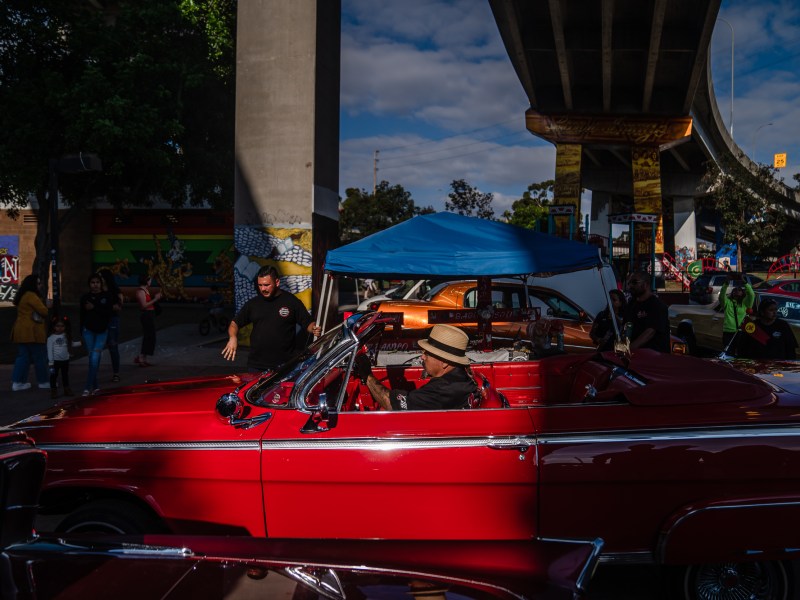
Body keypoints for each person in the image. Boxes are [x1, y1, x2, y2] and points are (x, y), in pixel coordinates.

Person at [354, 324, 477, 411]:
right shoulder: (461, 377)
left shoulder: (443, 390)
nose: (422, 357)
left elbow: (391, 403)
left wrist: (367, 375)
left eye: (427, 354)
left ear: (444, 362)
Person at [222, 266, 321, 371]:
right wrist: (233, 337)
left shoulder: (291, 301)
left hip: (284, 365)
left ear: (277, 282)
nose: (263, 289)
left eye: (266, 285)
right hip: (256, 365)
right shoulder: (253, 304)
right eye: (260, 285)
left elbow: (307, 323)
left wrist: (314, 328)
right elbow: (234, 323)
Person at [10, 273, 50, 391]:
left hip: (21, 330)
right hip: (33, 331)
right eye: (38, 283)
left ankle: (18, 381)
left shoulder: (23, 295)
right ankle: (43, 381)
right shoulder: (31, 296)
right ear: (32, 284)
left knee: (23, 357)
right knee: (40, 357)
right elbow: (44, 311)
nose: (40, 285)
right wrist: (47, 305)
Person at [80, 272, 115, 396]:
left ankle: (87, 387)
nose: (95, 285)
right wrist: (81, 331)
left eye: (97, 282)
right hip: (88, 330)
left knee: (95, 357)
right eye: (93, 283)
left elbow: (108, 312)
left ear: (101, 284)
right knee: (92, 358)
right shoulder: (85, 297)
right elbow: (82, 315)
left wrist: (94, 307)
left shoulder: (107, 296)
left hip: (102, 331)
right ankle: (95, 387)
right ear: (89, 284)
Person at [623, 271, 670, 352]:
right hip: (634, 357)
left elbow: (650, 332)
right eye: (629, 283)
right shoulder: (631, 304)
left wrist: (628, 349)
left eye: (634, 282)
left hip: (653, 356)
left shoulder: (656, 305)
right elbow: (627, 326)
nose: (630, 286)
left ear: (645, 284)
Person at [719, 274, 755, 354]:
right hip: (728, 332)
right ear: (732, 293)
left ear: (743, 293)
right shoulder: (727, 303)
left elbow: (752, 294)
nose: (736, 291)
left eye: (739, 290)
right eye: (734, 290)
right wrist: (726, 283)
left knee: (741, 353)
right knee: (728, 354)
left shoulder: (745, 303)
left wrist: (744, 282)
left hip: (741, 332)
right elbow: (721, 296)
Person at [99, 269, 124, 382]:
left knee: (113, 346)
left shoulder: (115, 290)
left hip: (112, 320)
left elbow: (119, 306)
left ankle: (116, 373)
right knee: (97, 347)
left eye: (101, 276)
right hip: (101, 320)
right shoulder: (98, 290)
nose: (99, 279)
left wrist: (103, 306)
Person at [135, 274, 162, 366]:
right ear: (146, 281)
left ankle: (144, 358)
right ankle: (141, 357)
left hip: (150, 315)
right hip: (146, 315)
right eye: (149, 280)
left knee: (151, 336)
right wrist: (155, 299)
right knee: (148, 336)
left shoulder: (145, 290)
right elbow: (144, 306)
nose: (150, 282)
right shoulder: (140, 291)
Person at [47, 316, 74, 399]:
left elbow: (70, 344)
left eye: (62, 326)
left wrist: (80, 343)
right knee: (53, 376)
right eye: (58, 326)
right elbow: (49, 350)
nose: (60, 328)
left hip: (65, 360)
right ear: (54, 327)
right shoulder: (51, 338)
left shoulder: (66, 336)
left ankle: (66, 389)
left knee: (65, 375)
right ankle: (53, 391)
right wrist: (51, 362)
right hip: (55, 361)